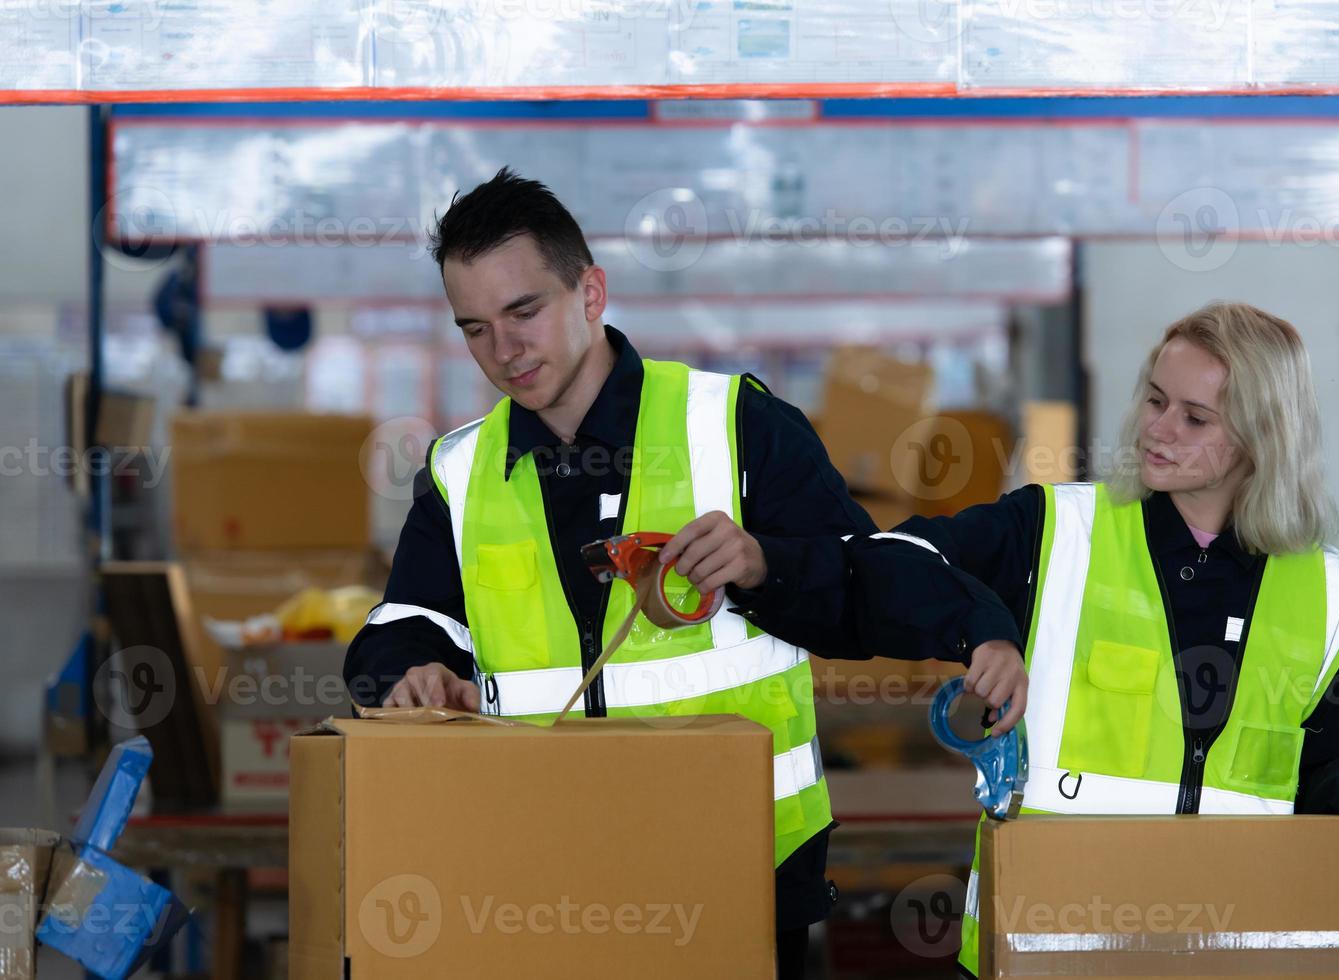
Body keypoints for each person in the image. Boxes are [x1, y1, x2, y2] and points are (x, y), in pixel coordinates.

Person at [341, 168, 1006, 972]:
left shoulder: (736, 425)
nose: (503, 350)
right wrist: (412, 669)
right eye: (474, 327)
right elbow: (405, 620)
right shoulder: (460, 471)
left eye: (524, 311)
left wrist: (767, 565)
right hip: (540, 871)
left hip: (739, 862)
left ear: (591, 293)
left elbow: (864, 588)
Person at [751, 302, 1339, 977]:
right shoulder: (1053, 530)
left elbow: (1334, 754)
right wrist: (978, 625)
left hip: (1227, 949)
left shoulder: (1335, 591)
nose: (1158, 430)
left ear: (1262, 437)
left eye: (1194, 417)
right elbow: (884, 561)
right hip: (1048, 942)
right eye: (1156, 401)